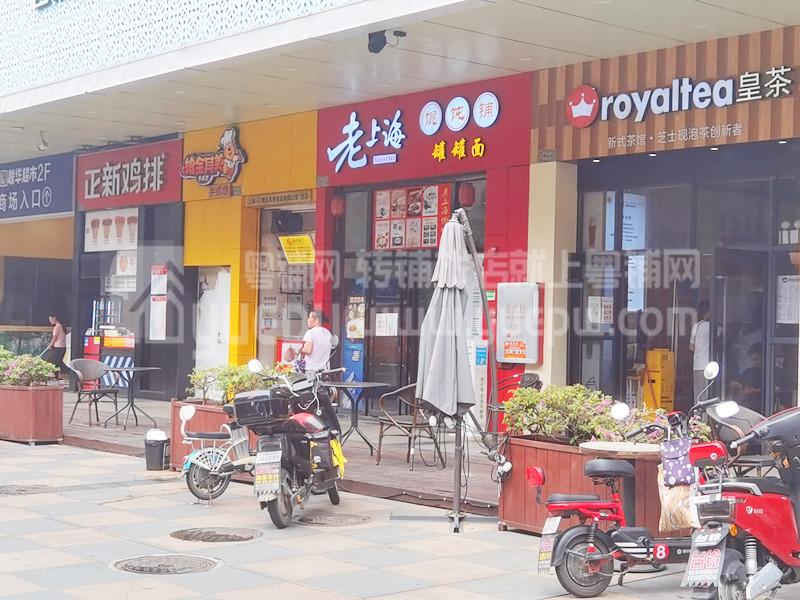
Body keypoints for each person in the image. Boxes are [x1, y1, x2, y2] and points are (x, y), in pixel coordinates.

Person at [690, 300, 712, 401]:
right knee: (706, 395)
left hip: (697, 365)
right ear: (708, 312)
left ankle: (697, 411)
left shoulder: (696, 326)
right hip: (707, 366)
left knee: (698, 395)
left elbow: (691, 347)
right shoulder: (710, 326)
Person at [44, 313, 67, 378]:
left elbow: (55, 337)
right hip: (62, 347)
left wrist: (50, 345)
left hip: (58, 347)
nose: (50, 321)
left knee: (54, 361)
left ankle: (69, 372)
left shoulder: (57, 326)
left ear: (54, 318)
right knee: (57, 362)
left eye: (50, 319)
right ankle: (57, 376)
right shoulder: (61, 326)